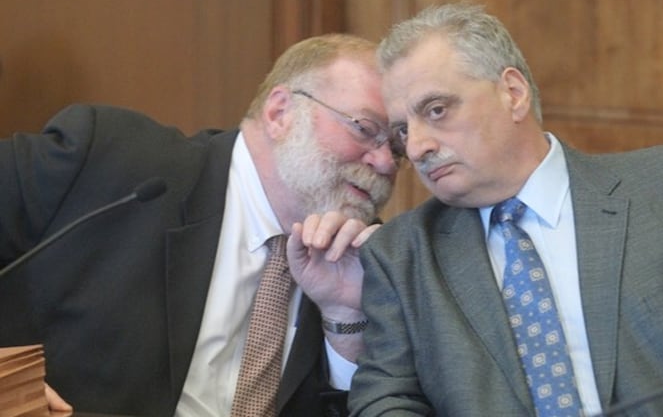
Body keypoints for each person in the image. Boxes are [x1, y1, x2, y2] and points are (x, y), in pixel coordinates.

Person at [349, 3, 663, 416]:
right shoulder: (402, 255)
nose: (418, 147)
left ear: (513, 93)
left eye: (437, 110)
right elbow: (385, 398)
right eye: (403, 130)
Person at [0, 33, 402, 416]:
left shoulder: (369, 265)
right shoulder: (110, 162)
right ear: (280, 113)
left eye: (397, 149)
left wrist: (344, 323)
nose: (385, 163)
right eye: (364, 129)